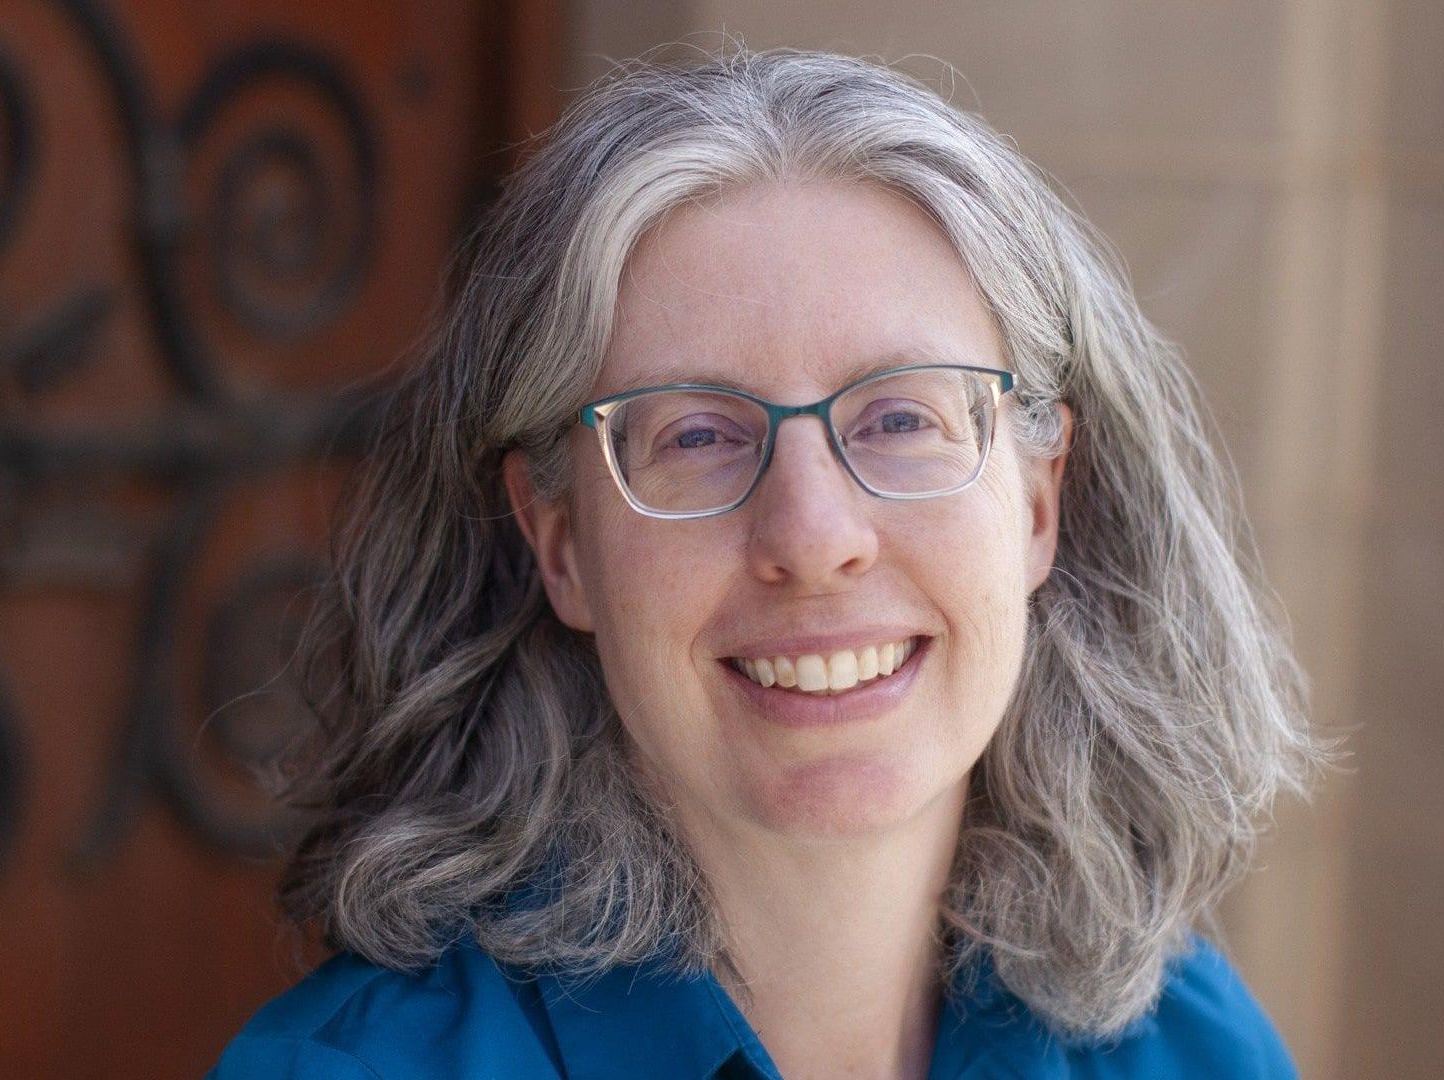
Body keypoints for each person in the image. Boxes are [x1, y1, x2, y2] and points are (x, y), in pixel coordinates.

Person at [207, 42, 1334, 1080]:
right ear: (560, 546)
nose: (812, 538)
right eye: (695, 436)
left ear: (1040, 504)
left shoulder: (1182, 1041)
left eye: (902, 419)